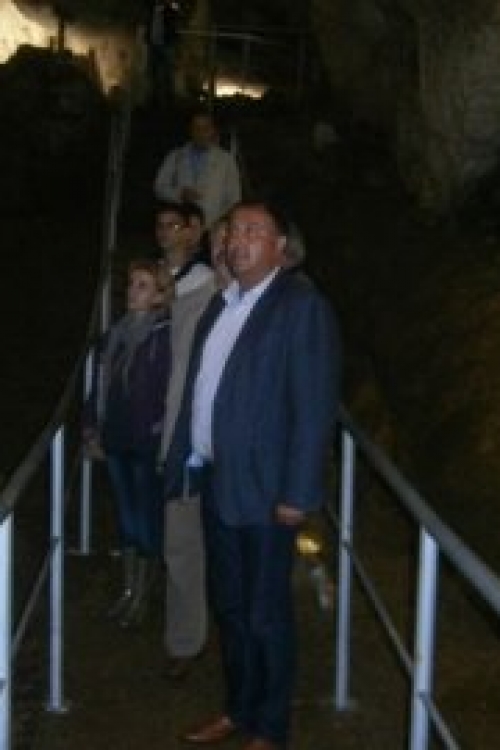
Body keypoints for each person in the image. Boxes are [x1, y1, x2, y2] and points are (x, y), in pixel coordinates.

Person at [162, 198, 341, 748]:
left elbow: (313, 406)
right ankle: (237, 709)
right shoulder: (222, 305)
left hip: (268, 491)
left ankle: (270, 726)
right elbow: (202, 388)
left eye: (252, 231)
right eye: (232, 231)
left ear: (280, 246)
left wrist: (298, 493)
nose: (237, 241)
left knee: (266, 614)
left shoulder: (300, 306)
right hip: (218, 480)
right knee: (232, 607)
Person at [83, 258, 171, 628]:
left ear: (159, 295)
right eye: (132, 284)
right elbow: (98, 386)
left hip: (146, 443)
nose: (132, 292)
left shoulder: (163, 337)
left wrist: (159, 430)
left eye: (142, 285)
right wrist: (91, 427)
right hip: (117, 438)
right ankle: (129, 588)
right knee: (125, 516)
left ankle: (143, 595)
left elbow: (169, 391)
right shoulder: (114, 336)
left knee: (145, 519)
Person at [156, 200, 217, 679]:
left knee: (193, 538)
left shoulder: (206, 292)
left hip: (201, 436)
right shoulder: (160, 285)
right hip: (172, 432)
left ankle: (195, 636)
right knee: (179, 537)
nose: (164, 233)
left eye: (173, 225)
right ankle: (184, 636)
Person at [154, 109, 241, 227]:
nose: (200, 132)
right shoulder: (175, 156)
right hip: (181, 226)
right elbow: (159, 187)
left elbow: (234, 199)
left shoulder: (226, 160)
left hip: (212, 225)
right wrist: (179, 194)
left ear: (213, 130)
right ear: (190, 130)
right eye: (196, 128)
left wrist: (220, 224)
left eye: (205, 128)